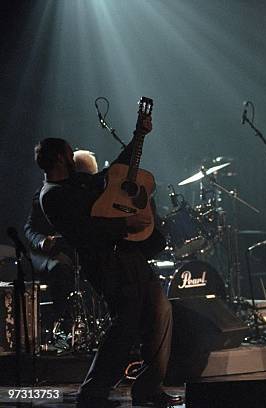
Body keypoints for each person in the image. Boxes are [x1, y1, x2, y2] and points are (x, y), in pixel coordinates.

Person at [35, 117, 181, 407]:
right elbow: (85, 231)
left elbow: (114, 173)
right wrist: (126, 223)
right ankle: (93, 394)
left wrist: (138, 137)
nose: (74, 153)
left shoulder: (77, 181)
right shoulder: (53, 196)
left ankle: (148, 389)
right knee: (124, 325)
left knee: (160, 312)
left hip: (130, 255)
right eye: (69, 151)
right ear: (62, 158)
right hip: (106, 266)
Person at [24, 150, 100, 328]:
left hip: (72, 251)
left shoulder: (89, 196)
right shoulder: (48, 193)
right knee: (60, 267)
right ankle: (63, 324)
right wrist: (42, 241)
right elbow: (29, 228)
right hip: (45, 253)